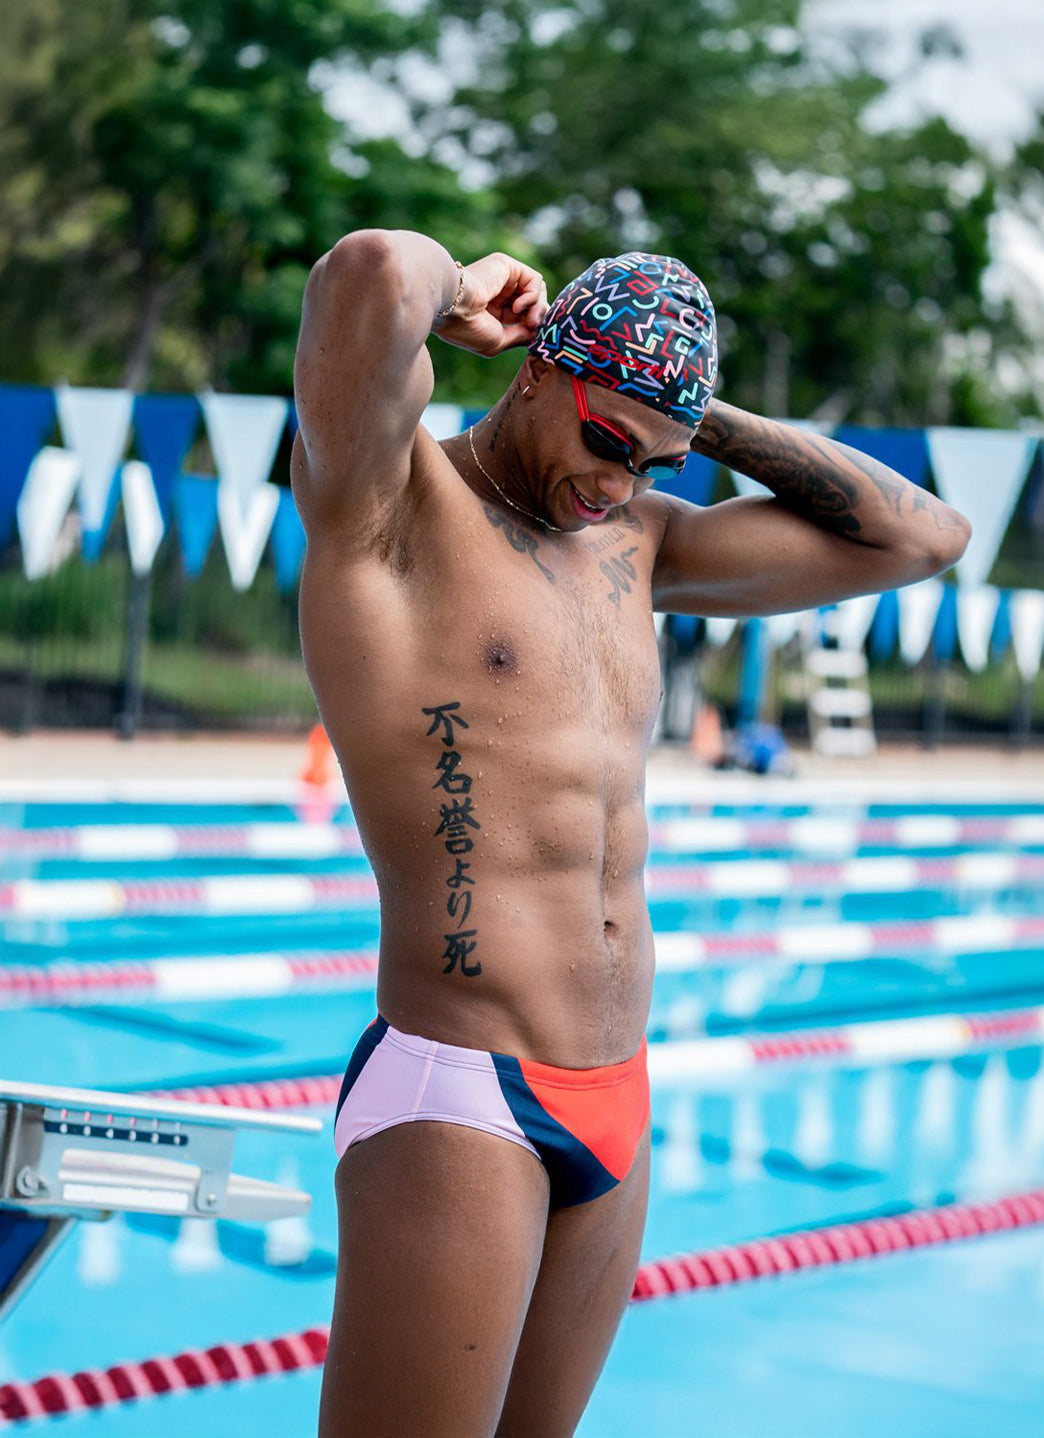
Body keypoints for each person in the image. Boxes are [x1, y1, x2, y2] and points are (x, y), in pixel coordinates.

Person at [291, 233, 971, 1438]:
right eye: (607, 440)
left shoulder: (639, 543)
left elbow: (924, 538)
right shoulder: (392, 503)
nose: (616, 481)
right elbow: (370, 275)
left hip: (614, 1093)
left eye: (653, 460)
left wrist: (684, 418)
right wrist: (467, 291)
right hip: (464, 1094)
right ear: (537, 372)